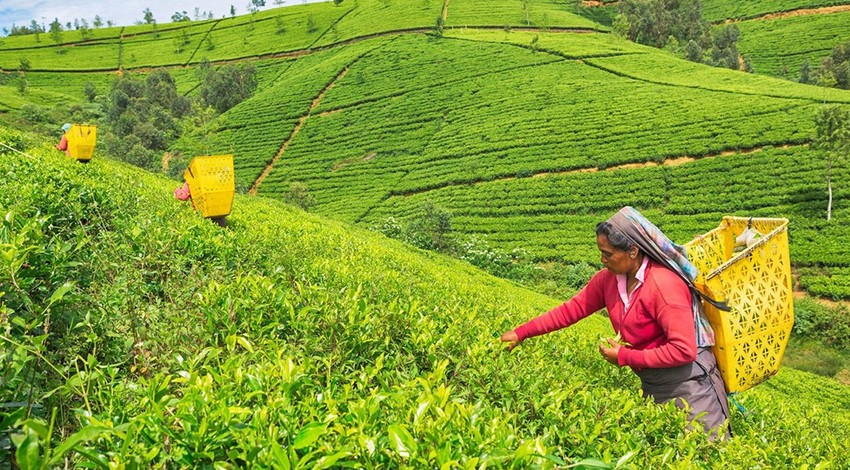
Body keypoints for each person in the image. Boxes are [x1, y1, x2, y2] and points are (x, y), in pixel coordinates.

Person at [500, 206, 731, 440]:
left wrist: (624, 357)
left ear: (632, 250)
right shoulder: (609, 280)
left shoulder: (663, 286)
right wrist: (521, 333)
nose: (602, 260)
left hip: (690, 385)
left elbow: (683, 350)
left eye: (608, 254)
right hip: (653, 382)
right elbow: (571, 310)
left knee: (704, 450)